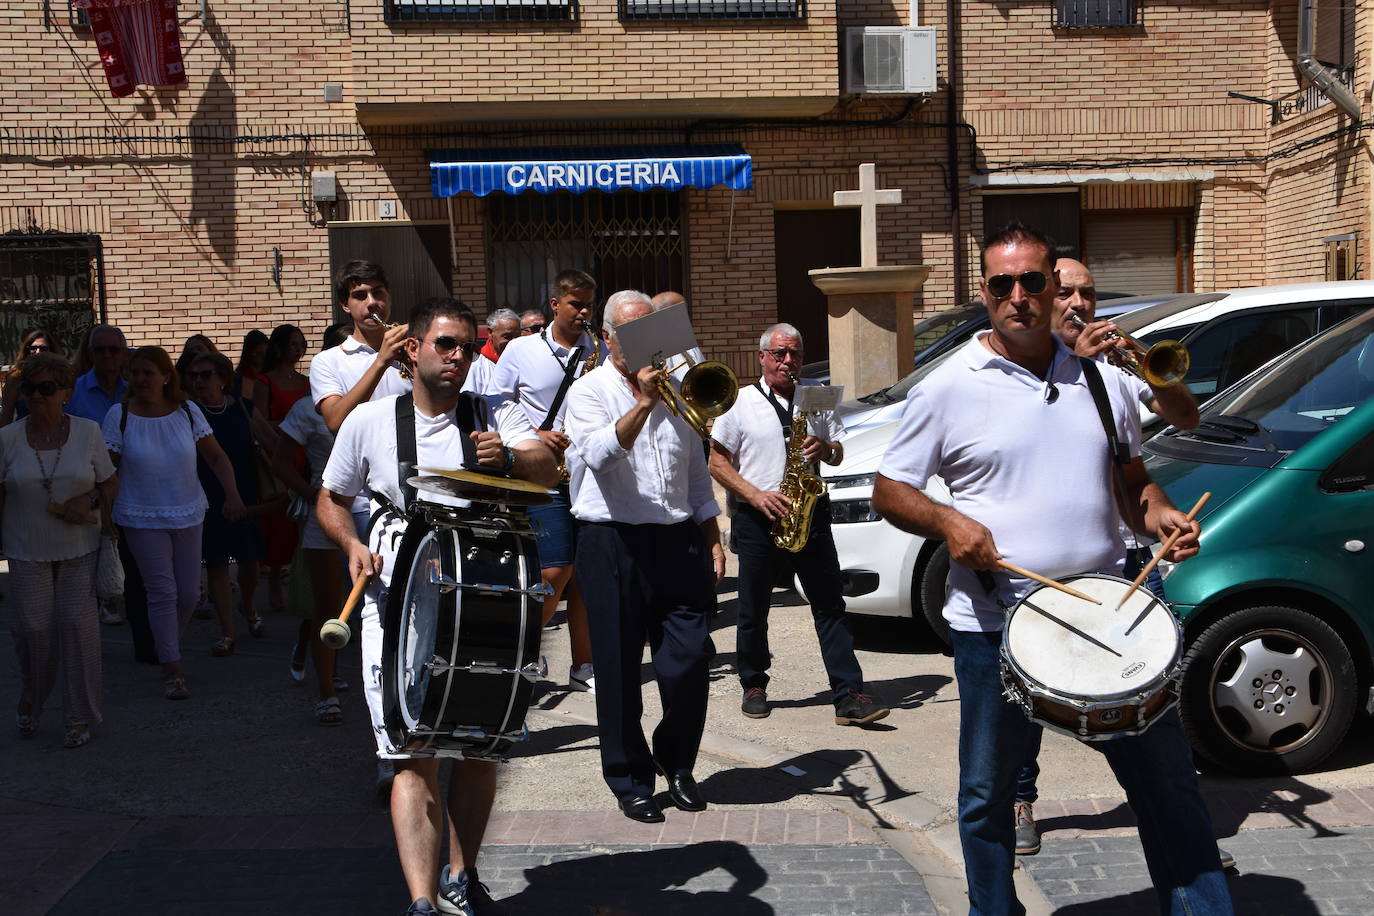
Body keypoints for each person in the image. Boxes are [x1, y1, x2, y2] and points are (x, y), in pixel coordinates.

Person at [871, 222, 1233, 916]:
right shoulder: (949, 388)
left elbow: (1134, 483)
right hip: (995, 626)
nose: (1018, 296)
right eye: (1001, 284)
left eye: (1032, 281)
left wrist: (1160, 518)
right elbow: (893, 489)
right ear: (983, 292)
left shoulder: (1102, 381)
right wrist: (951, 523)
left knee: (1169, 787)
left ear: (1051, 287)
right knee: (988, 796)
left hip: (1110, 614)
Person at [317, 297, 557, 916]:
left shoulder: (493, 412)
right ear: (413, 348)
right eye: (445, 344)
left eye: (467, 345)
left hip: (485, 596)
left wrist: (507, 455)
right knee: (411, 751)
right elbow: (331, 498)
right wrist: (350, 543)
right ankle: (422, 900)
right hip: (394, 601)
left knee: (480, 744)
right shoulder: (369, 420)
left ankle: (463, 873)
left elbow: (549, 468)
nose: (458, 356)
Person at [1012, 257, 1205, 856]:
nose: (1078, 303)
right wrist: (1081, 370)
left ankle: (1178, 820)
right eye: (1065, 291)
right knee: (1026, 699)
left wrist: (1164, 516)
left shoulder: (1118, 378)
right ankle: (1020, 800)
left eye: (1088, 293)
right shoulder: (1029, 379)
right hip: (1052, 572)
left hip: (1124, 561)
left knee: (1152, 700)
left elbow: (1159, 446)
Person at [565, 289, 724, 825]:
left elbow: (696, 471)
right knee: (617, 667)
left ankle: (677, 762)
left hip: (676, 539)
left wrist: (712, 533)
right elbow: (599, 457)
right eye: (632, 333)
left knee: (691, 659)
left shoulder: (682, 391)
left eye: (652, 332)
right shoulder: (589, 391)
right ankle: (630, 779)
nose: (646, 345)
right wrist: (643, 404)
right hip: (613, 542)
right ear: (609, 338)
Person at [709, 323, 889, 726]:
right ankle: (753, 684)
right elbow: (717, 462)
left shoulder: (816, 399)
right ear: (762, 357)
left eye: (795, 354)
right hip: (759, 515)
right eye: (779, 354)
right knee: (753, 608)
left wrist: (826, 447)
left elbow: (839, 453)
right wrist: (755, 495)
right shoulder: (739, 402)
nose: (788, 362)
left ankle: (849, 694)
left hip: (811, 512)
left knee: (830, 605)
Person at [103, 346, 247, 701]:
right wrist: (104, 515)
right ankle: (173, 668)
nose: (140, 380)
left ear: (166, 376)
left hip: (188, 511)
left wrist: (232, 493)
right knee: (162, 592)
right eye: (134, 373)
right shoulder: (118, 415)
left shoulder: (187, 410)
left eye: (147, 372)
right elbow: (108, 471)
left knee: (188, 593)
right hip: (140, 515)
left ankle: (166, 643)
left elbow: (214, 455)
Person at [489, 269, 601, 692]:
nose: (584, 312)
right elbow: (497, 403)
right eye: (576, 304)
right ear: (555, 305)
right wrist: (534, 435)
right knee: (555, 569)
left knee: (587, 573)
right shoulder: (521, 350)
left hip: (588, 472)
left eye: (590, 303)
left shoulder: (599, 349)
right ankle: (517, 652)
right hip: (543, 472)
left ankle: (583, 664)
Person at [1, 353, 117, 748]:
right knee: (33, 628)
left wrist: (92, 503)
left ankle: (78, 716)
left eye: (46, 388)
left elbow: (109, 484)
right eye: (29, 388)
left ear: (65, 392)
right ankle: (33, 695)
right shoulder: (7, 437)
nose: (36, 396)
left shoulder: (88, 432)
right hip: (24, 545)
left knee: (75, 625)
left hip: (79, 545)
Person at [274, 319, 352, 726]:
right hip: (325, 513)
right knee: (328, 605)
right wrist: (311, 496)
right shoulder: (307, 409)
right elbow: (281, 462)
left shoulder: (381, 399)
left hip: (374, 512)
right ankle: (326, 689)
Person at [186, 351, 265, 656]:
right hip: (206, 494)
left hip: (245, 490)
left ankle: (248, 606)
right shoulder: (189, 412)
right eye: (193, 376)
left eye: (206, 374)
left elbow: (271, 439)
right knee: (216, 563)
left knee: (249, 561)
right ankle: (227, 630)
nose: (199, 381)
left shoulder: (243, 408)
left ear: (222, 378)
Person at [67, 325, 133, 630]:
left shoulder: (135, 388)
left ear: (123, 353)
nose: (108, 356)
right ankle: (96, 613)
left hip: (132, 484)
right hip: (89, 488)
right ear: (90, 353)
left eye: (114, 350)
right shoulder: (74, 391)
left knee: (132, 556)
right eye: (101, 350)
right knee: (94, 556)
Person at [312, 260, 411, 435]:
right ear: (345, 305)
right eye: (360, 296)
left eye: (378, 293)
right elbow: (335, 422)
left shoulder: (410, 348)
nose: (371, 302)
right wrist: (381, 361)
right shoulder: (327, 361)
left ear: (389, 297)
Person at [255, 323, 311, 612]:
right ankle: (275, 578)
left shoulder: (306, 382)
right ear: (278, 348)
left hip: (304, 455)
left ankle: (295, 576)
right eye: (293, 344)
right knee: (277, 522)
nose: (299, 349)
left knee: (296, 523)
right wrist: (291, 427)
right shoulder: (264, 381)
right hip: (276, 452)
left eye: (301, 344)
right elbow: (260, 421)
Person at [0, 329, 67, 426]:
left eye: (43, 349)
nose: (38, 352)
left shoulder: (61, 377)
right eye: (33, 348)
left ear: (51, 351)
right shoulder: (15, 379)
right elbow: (6, 417)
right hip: (23, 435)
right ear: (27, 351)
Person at [464, 308, 519, 396]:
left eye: (517, 337)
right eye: (507, 336)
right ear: (490, 333)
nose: (513, 342)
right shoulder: (477, 366)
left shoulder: (524, 360)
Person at [233, 329, 268, 402]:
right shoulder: (237, 379)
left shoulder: (270, 377)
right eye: (254, 352)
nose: (254, 355)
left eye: (261, 353)